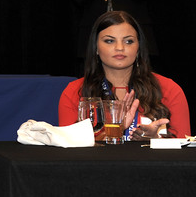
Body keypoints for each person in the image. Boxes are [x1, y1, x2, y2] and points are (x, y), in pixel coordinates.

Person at [59, 10, 190, 139]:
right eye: (110, 41)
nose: (120, 47)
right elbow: (69, 150)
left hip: (151, 161)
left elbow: (185, 150)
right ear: (96, 48)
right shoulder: (75, 91)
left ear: (138, 48)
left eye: (129, 41)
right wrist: (114, 131)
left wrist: (156, 140)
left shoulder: (169, 89)